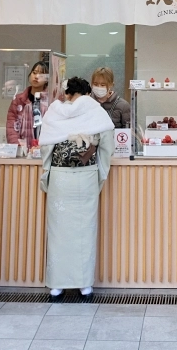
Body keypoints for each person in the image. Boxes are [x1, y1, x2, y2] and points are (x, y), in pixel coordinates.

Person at [40, 77, 115, 299]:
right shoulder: (96, 111)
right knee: (85, 230)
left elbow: (46, 147)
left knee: (58, 230)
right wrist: (100, 173)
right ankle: (84, 286)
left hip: (60, 177)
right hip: (86, 176)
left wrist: (48, 172)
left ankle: (57, 285)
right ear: (87, 93)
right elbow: (107, 145)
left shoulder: (54, 112)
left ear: (67, 94)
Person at [6, 61, 50, 146]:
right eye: (34, 73)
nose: (36, 77)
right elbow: (11, 127)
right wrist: (18, 146)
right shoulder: (18, 100)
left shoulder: (50, 101)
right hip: (22, 148)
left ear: (47, 79)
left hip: (43, 149)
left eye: (41, 74)